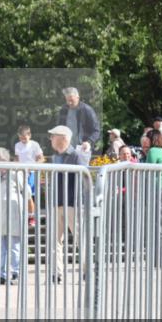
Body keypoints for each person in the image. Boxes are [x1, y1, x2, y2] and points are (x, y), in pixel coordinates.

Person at [48, 125, 90, 283]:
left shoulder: (77, 155)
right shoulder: (55, 157)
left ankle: (87, 271)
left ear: (62, 138)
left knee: (80, 238)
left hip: (73, 203)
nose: (51, 139)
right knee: (55, 240)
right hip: (57, 203)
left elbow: (83, 178)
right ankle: (56, 273)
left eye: (53, 136)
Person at [0, 147, 31, 285]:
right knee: (0, 248)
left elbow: (28, 193)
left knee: (14, 247)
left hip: (14, 215)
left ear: (4, 160)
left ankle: (16, 273)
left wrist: (30, 213)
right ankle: (2, 274)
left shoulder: (15, 173)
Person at [56, 87, 101, 153]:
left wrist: (89, 142)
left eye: (72, 100)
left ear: (78, 97)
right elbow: (60, 127)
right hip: (66, 149)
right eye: (67, 100)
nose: (69, 103)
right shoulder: (63, 110)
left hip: (82, 149)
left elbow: (96, 131)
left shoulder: (87, 110)